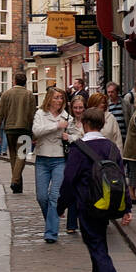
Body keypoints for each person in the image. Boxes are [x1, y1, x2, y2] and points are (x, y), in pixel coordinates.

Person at [57, 105, 132, 272]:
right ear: (102, 124)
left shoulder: (78, 148)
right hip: (108, 202)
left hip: (87, 203)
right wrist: (127, 208)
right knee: (98, 240)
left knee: (95, 242)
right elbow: (120, 178)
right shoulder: (111, 147)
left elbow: (69, 179)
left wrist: (61, 205)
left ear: (84, 124)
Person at [31, 86, 69, 243]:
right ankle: (52, 221)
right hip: (42, 158)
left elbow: (72, 134)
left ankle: (51, 233)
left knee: (54, 196)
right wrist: (56, 126)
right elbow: (36, 131)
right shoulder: (40, 114)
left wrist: (69, 136)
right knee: (41, 197)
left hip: (59, 159)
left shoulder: (67, 116)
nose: (59, 100)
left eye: (61, 97)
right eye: (56, 97)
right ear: (49, 99)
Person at [0, 71, 37, 193]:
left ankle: (17, 186)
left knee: (14, 156)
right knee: (21, 156)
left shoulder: (6, 94)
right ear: (25, 82)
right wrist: (34, 134)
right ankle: (15, 180)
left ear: (14, 81)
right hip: (25, 129)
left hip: (10, 129)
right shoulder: (29, 95)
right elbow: (33, 115)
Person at [63, 92, 88, 233]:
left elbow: (85, 139)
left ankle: (86, 222)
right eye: (76, 108)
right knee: (72, 189)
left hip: (86, 159)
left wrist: (71, 137)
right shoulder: (69, 122)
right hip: (72, 158)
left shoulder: (88, 122)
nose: (78, 111)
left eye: (81, 108)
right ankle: (71, 224)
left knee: (85, 191)